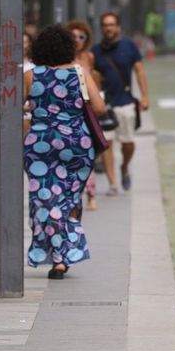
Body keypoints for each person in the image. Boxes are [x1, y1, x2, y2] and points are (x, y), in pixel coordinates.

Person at [23, 25, 106, 279]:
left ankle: (57, 257)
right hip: (76, 145)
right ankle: (64, 255)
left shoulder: (30, 75)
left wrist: (38, 109)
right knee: (68, 200)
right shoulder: (79, 73)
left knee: (45, 200)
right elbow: (100, 108)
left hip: (41, 144)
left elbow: (15, 109)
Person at [92, 12, 150, 194]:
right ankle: (112, 183)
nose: (108, 28)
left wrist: (145, 96)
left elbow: (139, 71)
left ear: (118, 27)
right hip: (105, 104)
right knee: (107, 143)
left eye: (112, 25)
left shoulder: (129, 46)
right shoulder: (95, 51)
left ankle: (124, 167)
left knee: (128, 143)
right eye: (105, 25)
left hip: (125, 101)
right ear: (102, 28)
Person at [67, 18, 99, 211]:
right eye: (73, 36)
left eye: (81, 36)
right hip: (69, 109)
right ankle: (73, 194)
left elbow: (94, 81)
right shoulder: (61, 59)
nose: (77, 40)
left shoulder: (89, 58)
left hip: (87, 110)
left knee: (88, 155)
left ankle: (91, 193)